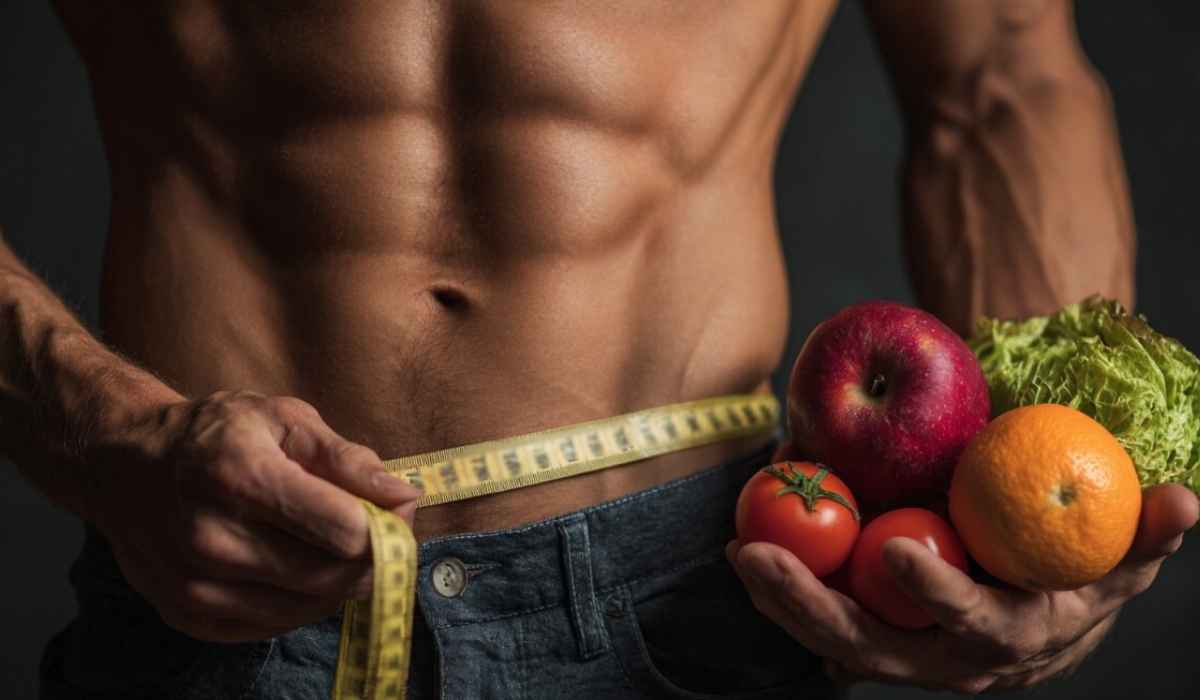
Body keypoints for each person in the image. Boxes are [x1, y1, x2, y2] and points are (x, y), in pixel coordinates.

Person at [4, 0, 1195, 697]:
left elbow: (998, 67)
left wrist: (1041, 504)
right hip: (204, 601)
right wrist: (104, 428)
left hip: (695, 603)